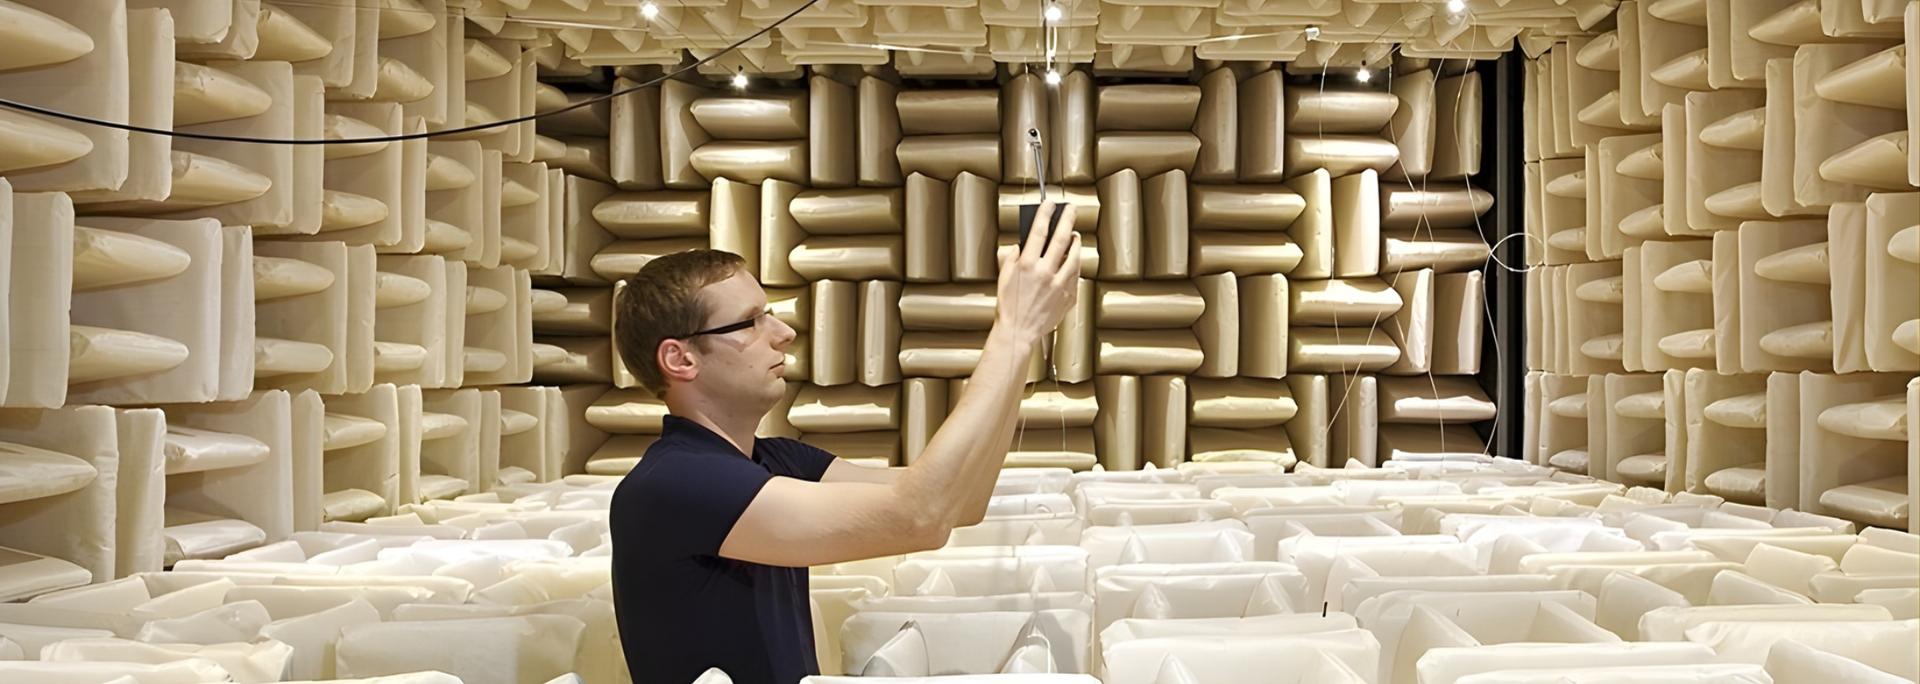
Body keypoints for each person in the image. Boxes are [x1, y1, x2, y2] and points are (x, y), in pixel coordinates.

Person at [607, 203, 1082, 684]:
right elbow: (922, 515)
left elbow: (962, 502)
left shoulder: (776, 459)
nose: (784, 333)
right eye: (750, 322)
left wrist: (1024, 341)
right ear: (680, 359)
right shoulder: (673, 483)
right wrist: (1013, 331)